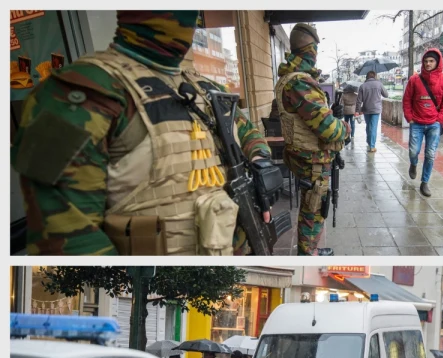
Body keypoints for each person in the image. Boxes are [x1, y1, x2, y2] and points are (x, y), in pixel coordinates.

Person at [13, 10, 274, 256]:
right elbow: (67, 238)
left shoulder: (207, 87)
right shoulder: (79, 94)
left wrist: (260, 161)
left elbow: (248, 131)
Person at [274, 23, 347, 256]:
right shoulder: (299, 82)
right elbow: (329, 130)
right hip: (311, 159)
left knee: (312, 205)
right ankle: (309, 253)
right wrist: (344, 127)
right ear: (311, 50)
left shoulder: (292, 78)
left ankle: (310, 249)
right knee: (313, 209)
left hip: (303, 155)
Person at [402, 49, 443, 198]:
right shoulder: (414, 79)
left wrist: (440, 118)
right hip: (417, 122)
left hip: (434, 124)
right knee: (413, 151)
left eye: (431, 61)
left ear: (437, 62)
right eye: (425, 61)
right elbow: (406, 100)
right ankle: (413, 164)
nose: (428, 64)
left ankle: (425, 182)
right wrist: (409, 117)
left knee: (430, 154)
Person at [355, 70, 385, 152]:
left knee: (368, 126)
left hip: (366, 109)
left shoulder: (363, 86)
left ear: (367, 77)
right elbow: (386, 94)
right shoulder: (379, 84)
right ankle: (372, 146)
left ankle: (369, 142)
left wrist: (357, 111)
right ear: (375, 76)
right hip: (376, 109)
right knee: (373, 127)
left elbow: (359, 100)